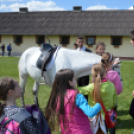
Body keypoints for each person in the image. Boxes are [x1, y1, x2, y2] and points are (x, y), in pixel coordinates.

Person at [45, 69, 101, 134]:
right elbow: (90, 113)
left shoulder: (57, 96)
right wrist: (98, 105)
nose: (75, 80)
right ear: (69, 82)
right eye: (74, 78)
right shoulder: (77, 96)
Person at [77, 63, 117, 134]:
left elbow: (78, 90)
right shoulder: (111, 85)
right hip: (107, 116)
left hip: (93, 117)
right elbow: (114, 101)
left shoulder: (91, 87)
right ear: (105, 72)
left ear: (93, 75)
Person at [76, 36, 92, 101]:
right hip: (78, 74)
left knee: (85, 90)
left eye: (82, 42)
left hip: (85, 74)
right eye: (79, 42)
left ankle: (85, 106)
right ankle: (80, 104)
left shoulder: (88, 51)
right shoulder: (74, 52)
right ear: (76, 42)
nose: (80, 43)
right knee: (79, 89)